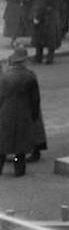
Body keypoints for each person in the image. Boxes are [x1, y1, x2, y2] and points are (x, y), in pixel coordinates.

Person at [0, 48, 38, 177]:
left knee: (3, 144)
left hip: (6, 112)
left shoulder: (4, 77)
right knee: (19, 147)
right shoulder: (30, 76)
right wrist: (34, 114)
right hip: (23, 113)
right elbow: (35, 99)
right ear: (23, 62)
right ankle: (19, 169)